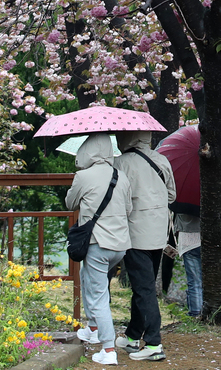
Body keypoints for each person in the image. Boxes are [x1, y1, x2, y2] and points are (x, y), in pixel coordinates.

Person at [67, 133, 131, 367]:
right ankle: (93, 328)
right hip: (120, 245)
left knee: (98, 295)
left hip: (97, 243)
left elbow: (70, 203)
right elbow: (129, 207)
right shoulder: (120, 176)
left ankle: (108, 349)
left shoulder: (83, 175)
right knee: (91, 282)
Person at [113, 131, 174, 362]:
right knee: (144, 285)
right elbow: (171, 195)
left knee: (143, 288)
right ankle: (131, 336)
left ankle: (153, 343)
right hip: (158, 232)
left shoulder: (120, 163)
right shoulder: (161, 159)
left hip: (135, 232)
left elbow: (117, 196)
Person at [173, 211, 202, 318]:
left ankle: (196, 313)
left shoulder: (183, 195)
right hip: (211, 237)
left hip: (188, 238)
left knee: (194, 281)